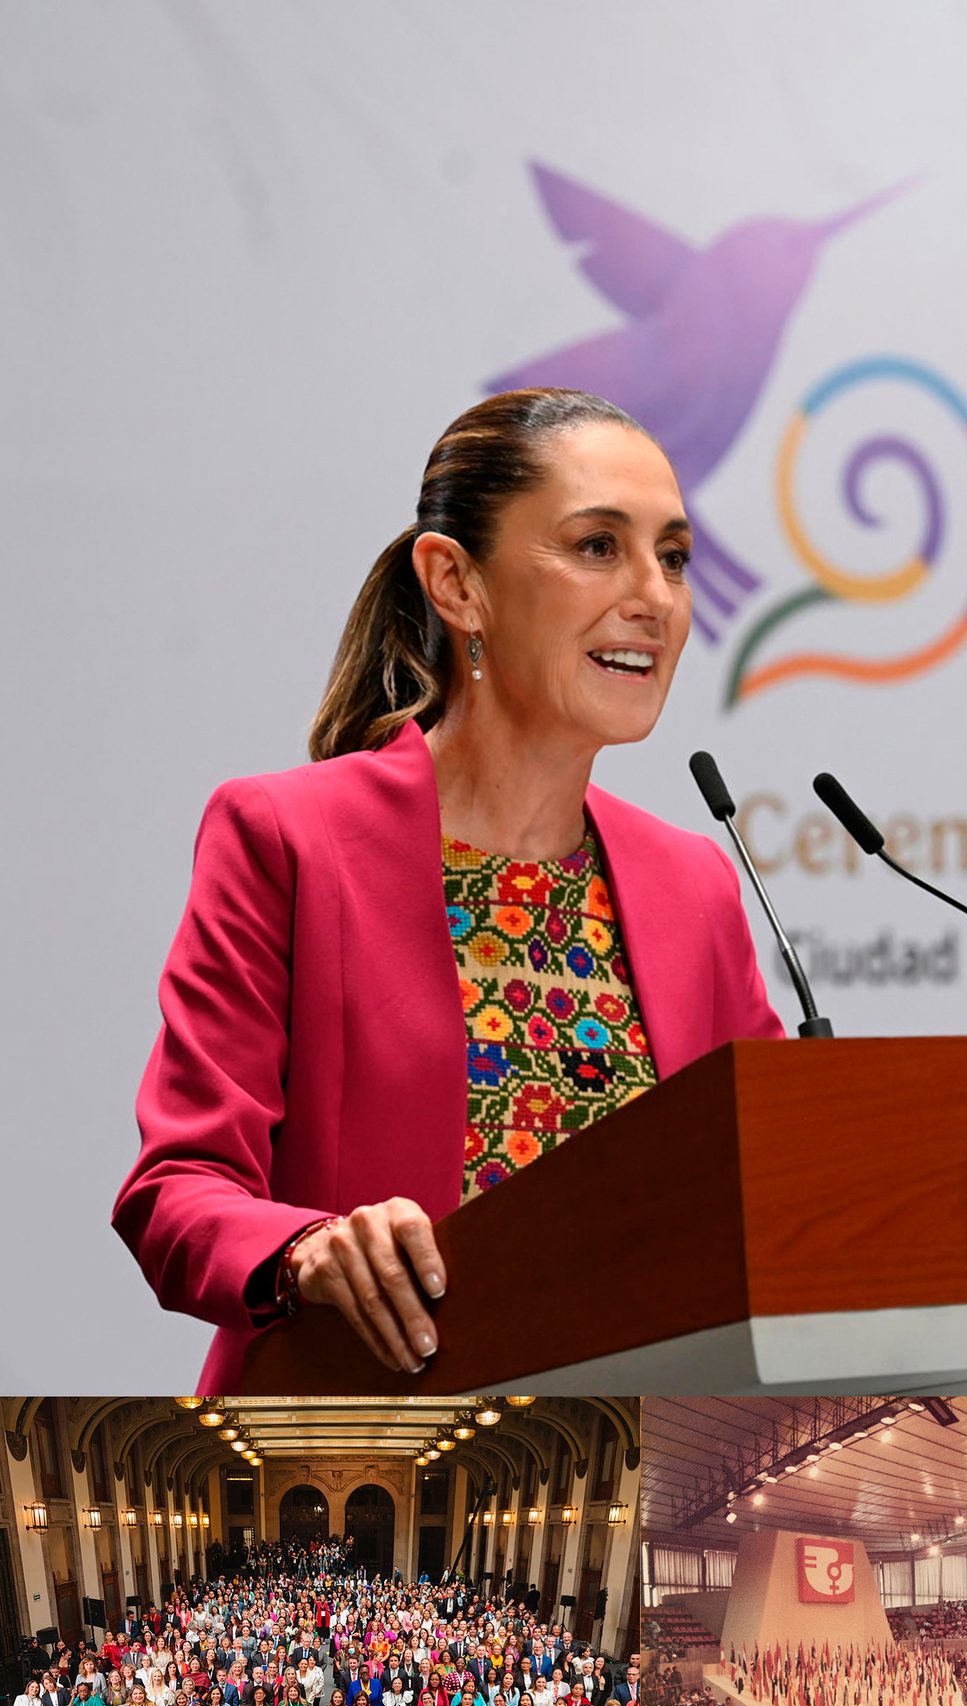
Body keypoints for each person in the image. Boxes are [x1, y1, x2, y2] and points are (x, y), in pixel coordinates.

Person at [113, 386, 783, 1392]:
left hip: (629, 1482)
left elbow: (778, 1192)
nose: (655, 595)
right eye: (597, 546)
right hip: (347, 1476)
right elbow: (177, 1190)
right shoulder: (289, 839)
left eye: (674, 557)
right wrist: (306, 1251)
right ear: (455, 584)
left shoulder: (694, 886)